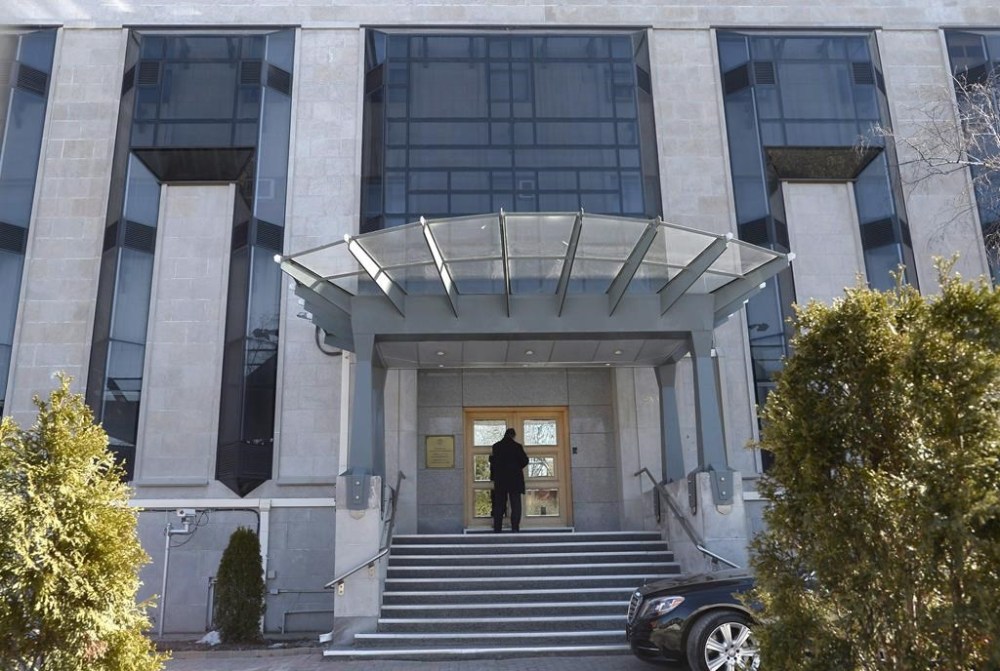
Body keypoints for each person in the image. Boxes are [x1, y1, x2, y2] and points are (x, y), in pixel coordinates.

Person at [490, 428, 529, 533]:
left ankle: (497, 528)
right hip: (515, 480)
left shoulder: (496, 446)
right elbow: (525, 461)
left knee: (499, 505)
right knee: (516, 505)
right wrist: (516, 467)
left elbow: (493, 462)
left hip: (500, 480)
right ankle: (515, 528)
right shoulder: (517, 447)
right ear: (513, 436)